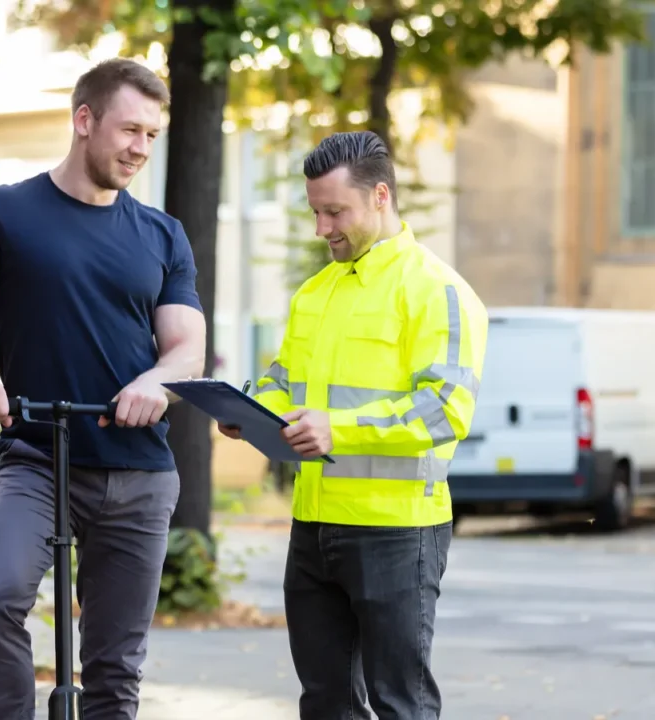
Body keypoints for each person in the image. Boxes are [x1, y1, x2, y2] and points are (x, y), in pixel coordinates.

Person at [0, 57, 206, 720]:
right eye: (129, 130)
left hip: (138, 471)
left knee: (113, 666)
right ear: (84, 121)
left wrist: (156, 383)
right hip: (35, 456)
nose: (140, 148)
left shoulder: (162, 235)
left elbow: (186, 347)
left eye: (151, 136)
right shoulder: (2, 211)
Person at [220, 130, 487, 719]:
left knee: (400, 704)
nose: (322, 228)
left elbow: (444, 409)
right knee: (325, 703)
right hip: (313, 527)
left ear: (381, 196)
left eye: (335, 211)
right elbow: (282, 379)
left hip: (396, 530)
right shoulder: (315, 293)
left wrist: (337, 429)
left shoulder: (437, 291)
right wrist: (249, 410)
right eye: (315, 211)